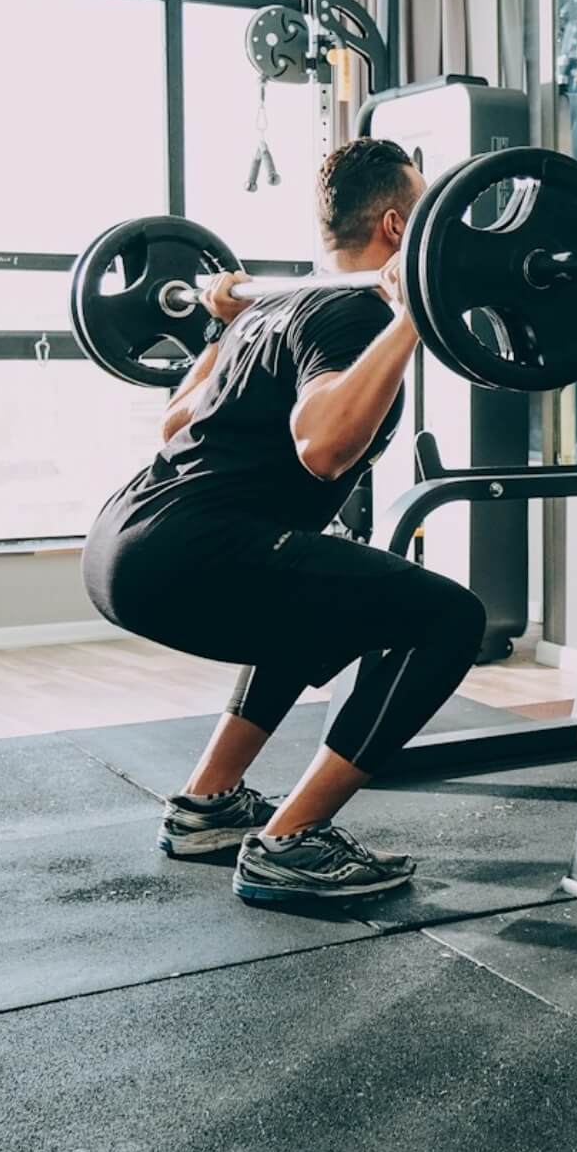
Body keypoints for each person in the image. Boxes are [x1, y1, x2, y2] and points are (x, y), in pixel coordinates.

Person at [83, 138, 487, 904]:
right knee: (450, 619)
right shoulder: (353, 314)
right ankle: (291, 841)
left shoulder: (274, 306)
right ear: (400, 229)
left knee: (317, 584)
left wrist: (216, 328)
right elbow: (324, 449)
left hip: (125, 541)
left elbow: (175, 425)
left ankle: (209, 804)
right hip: (190, 550)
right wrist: (410, 319)